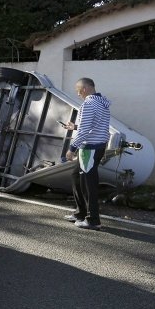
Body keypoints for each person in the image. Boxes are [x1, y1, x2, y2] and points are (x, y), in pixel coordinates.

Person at [62, 77, 111, 231]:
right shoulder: (102, 103)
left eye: (78, 91)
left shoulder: (88, 104)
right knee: (76, 177)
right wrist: (75, 127)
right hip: (97, 146)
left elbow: (84, 131)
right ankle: (80, 213)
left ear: (84, 89)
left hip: (89, 148)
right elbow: (96, 125)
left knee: (88, 184)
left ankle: (93, 220)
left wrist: (72, 148)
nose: (78, 94)